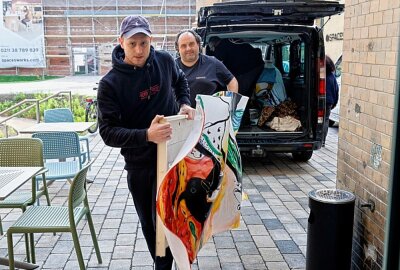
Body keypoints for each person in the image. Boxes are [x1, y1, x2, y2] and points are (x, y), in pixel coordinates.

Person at [96, 15, 195, 270]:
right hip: (141, 166)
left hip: (174, 156)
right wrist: (146, 135)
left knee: (172, 220)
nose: (139, 50)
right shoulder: (110, 84)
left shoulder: (163, 61)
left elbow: (180, 80)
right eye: (133, 44)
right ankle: (161, 263)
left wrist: (184, 102)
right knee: (152, 226)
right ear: (121, 43)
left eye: (144, 43)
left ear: (151, 40)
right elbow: (108, 133)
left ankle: (165, 266)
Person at [175, 29, 239, 107]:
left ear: (198, 44)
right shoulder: (171, 67)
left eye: (191, 44)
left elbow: (232, 81)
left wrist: (230, 104)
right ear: (178, 49)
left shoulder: (213, 63)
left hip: (210, 116)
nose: (188, 48)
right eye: (183, 46)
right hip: (180, 116)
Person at [323, 55, 339, 146]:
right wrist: (334, 102)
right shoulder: (332, 77)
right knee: (325, 120)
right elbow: (336, 90)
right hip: (329, 102)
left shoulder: (320, 76)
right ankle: (323, 141)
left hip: (320, 101)